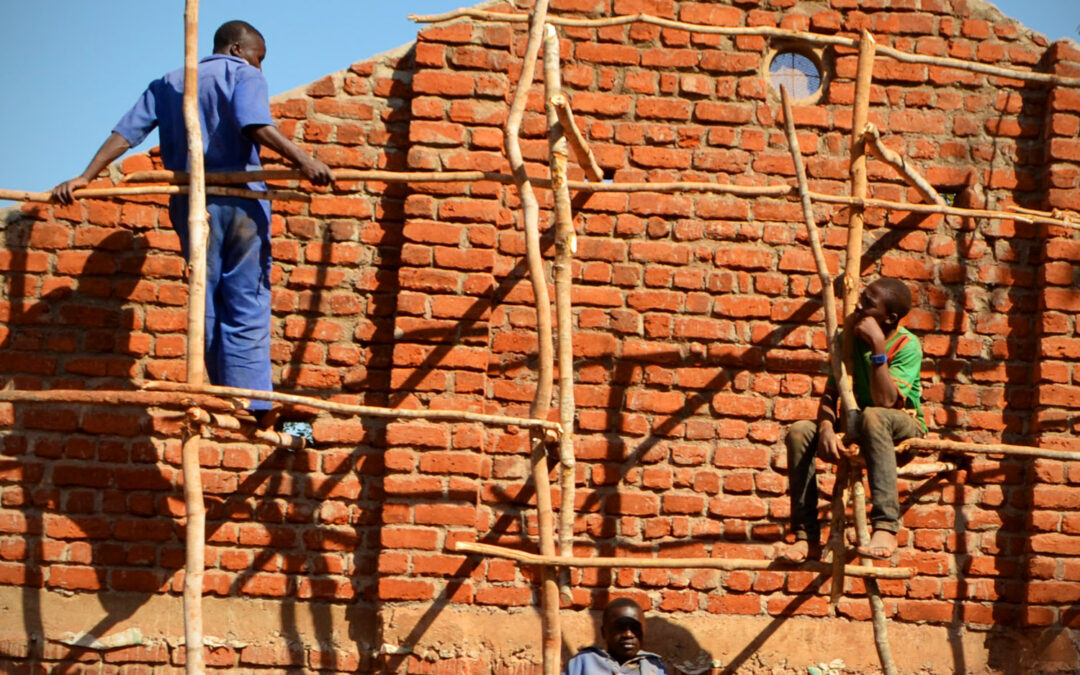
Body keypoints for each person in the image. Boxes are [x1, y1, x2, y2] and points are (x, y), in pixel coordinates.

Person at [53, 20, 333, 425]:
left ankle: (219, 394)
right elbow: (253, 123)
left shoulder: (169, 81)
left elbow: (126, 133)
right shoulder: (242, 73)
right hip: (240, 203)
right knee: (246, 301)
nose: (261, 67)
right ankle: (252, 401)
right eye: (260, 57)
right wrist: (304, 160)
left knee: (205, 298)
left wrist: (86, 175)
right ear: (238, 49)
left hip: (191, 204)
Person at [779, 278, 925, 562]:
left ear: (889, 318)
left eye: (868, 304)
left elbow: (886, 402)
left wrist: (878, 346)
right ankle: (805, 537)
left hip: (902, 428)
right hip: (858, 425)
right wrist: (825, 427)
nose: (858, 306)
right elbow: (831, 394)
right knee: (799, 432)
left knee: (874, 415)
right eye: (861, 298)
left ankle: (885, 527)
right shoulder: (848, 340)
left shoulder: (907, 345)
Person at [565, 598, 668, 675]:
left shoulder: (653, 666)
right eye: (620, 628)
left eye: (635, 628)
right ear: (604, 632)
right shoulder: (584, 662)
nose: (628, 635)